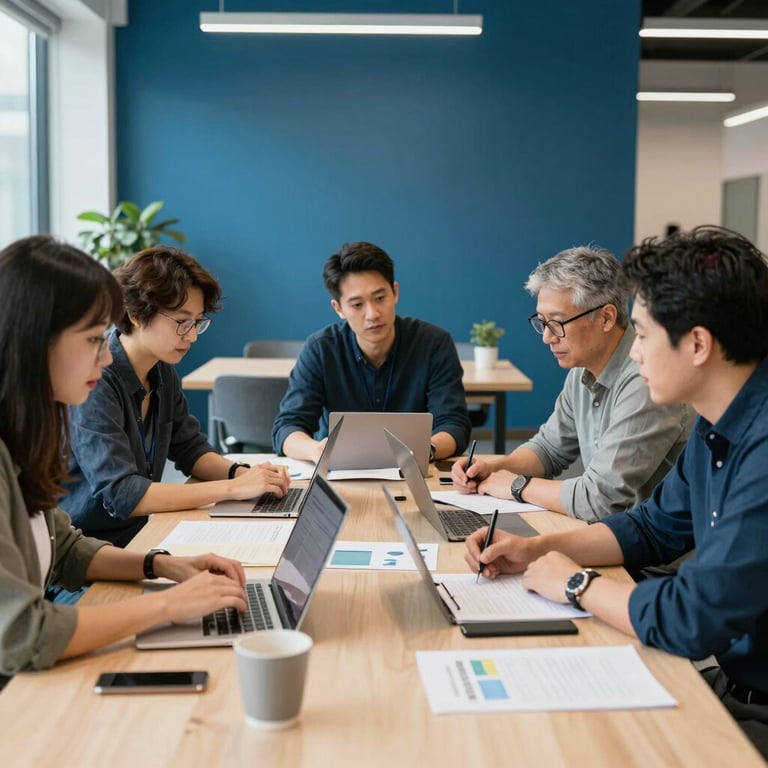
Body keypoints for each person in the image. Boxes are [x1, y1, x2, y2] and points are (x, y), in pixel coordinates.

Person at [464, 226, 768, 758]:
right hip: (732, 682)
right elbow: (652, 527)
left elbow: (692, 617)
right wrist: (537, 550)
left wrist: (576, 583)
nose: (636, 353)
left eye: (645, 335)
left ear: (697, 344)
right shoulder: (717, 424)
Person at [0, 235, 248, 684]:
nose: (106, 353)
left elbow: (66, 549)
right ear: (36, 341)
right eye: (95, 339)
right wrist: (166, 605)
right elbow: (23, 636)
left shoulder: (21, 438)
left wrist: (163, 564)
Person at [61, 246, 289, 549]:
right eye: (182, 321)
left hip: (138, 540)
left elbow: (190, 449)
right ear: (137, 314)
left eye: (197, 322)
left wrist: (246, 475)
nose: (192, 336)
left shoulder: (161, 369)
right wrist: (233, 488)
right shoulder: (96, 379)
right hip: (85, 554)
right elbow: (123, 494)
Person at [452, 245, 692, 522]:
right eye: (542, 323)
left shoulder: (645, 380)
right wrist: (495, 468)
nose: (547, 337)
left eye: (557, 323)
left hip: (648, 559)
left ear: (606, 317)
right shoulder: (582, 371)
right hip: (607, 535)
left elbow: (600, 499)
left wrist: (516, 485)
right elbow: (549, 449)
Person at [272, 242, 472, 463]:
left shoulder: (433, 343)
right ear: (338, 309)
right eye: (357, 305)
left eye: (380, 298)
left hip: (415, 470)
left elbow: (454, 424)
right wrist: (315, 450)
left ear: (395, 292)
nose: (373, 314)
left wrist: (426, 450)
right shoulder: (321, 348)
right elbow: (288, 426)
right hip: (337, 469)